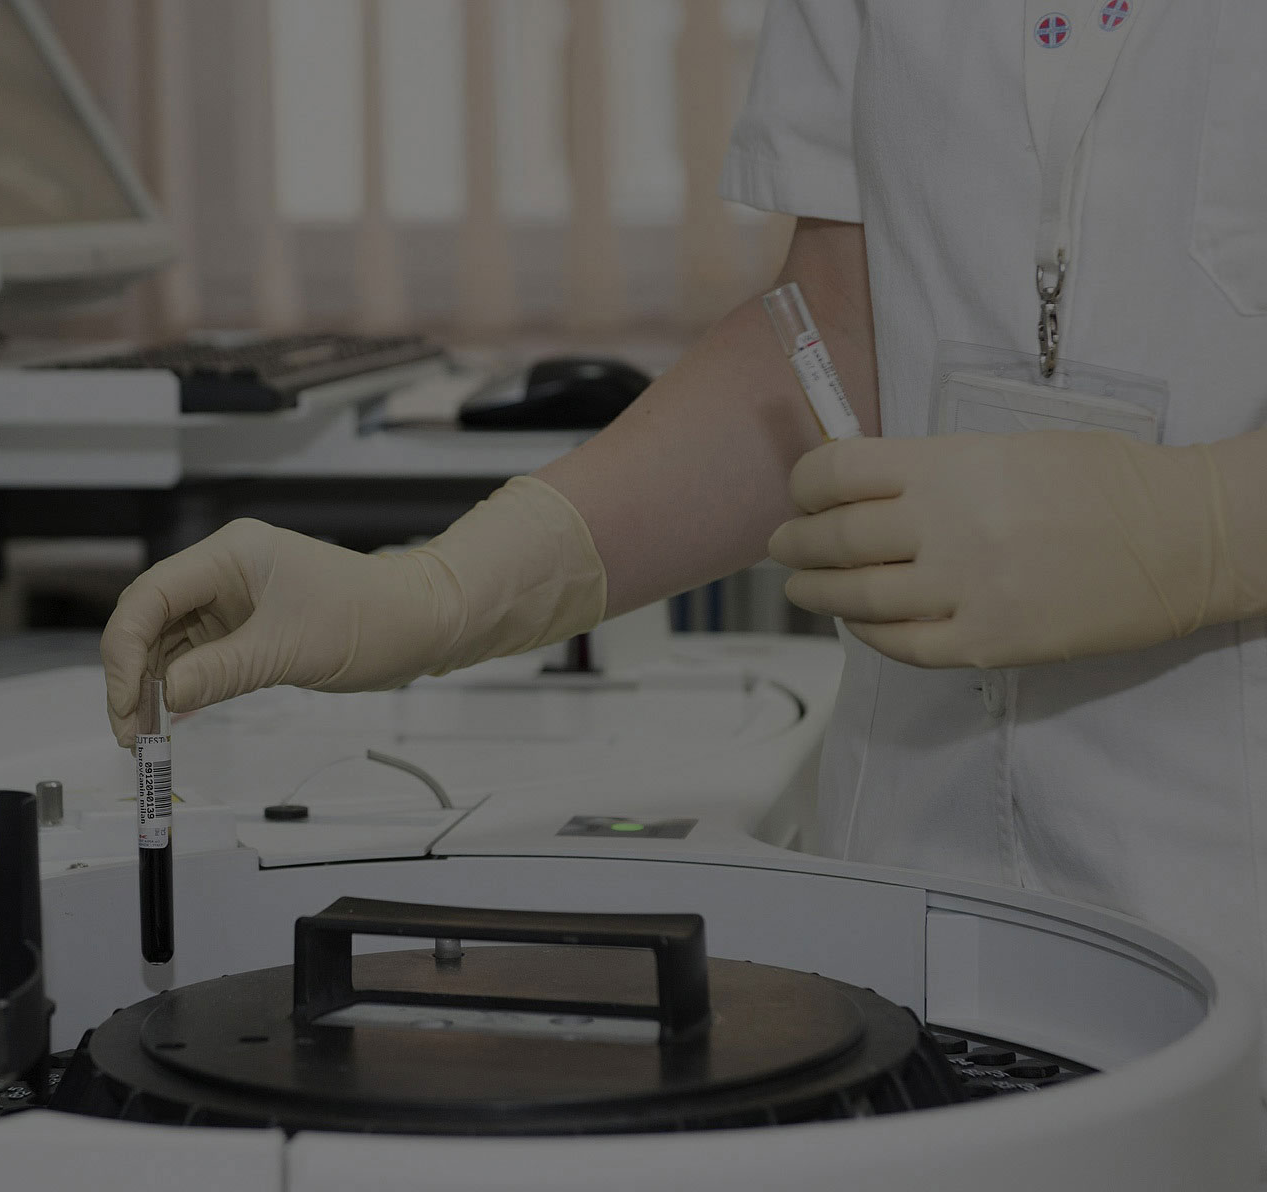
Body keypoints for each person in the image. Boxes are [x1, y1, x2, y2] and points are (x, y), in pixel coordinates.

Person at [102, 0, 1267, 1126]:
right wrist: (441, 589)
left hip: (1232, 905)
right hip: (919, 915)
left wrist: (1209, 525)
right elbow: (838, 338)